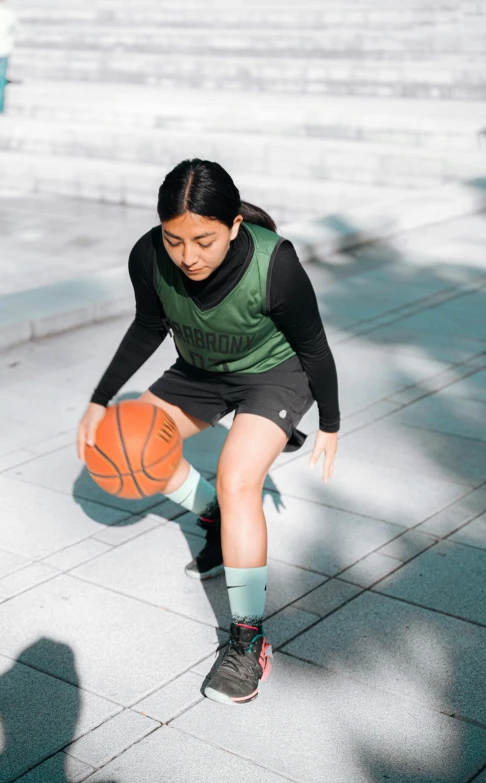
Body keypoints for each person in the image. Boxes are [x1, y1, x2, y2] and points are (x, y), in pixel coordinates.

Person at [77, 159, 340, 706]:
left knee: (237, 477)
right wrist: (99, 401)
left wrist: (331, 424)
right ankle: (213, 515)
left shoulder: (277, 264)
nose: (187, 256)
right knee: (127, 441)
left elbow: (314, 348)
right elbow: (149, 326)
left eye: (203, 240)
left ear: (234, 227)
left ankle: (248, 642)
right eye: (174, 240)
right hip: (201, 370)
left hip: (275, 373)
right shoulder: (149, 257)